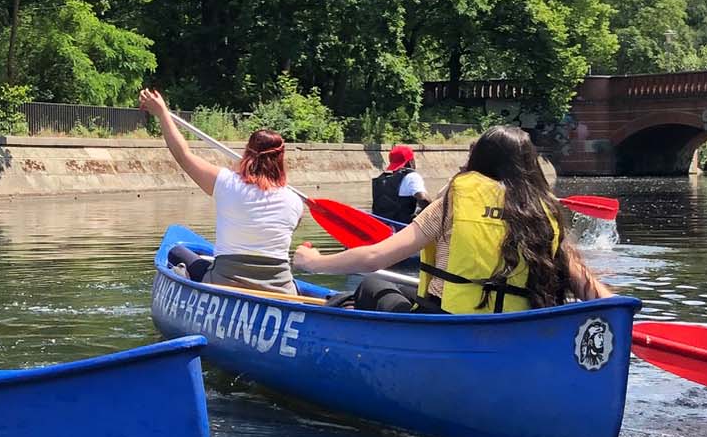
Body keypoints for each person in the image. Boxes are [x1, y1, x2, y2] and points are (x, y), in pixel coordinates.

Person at [292, 126, 612, 314]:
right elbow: (585, 283)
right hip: (515, 329)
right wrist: (620, 312)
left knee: (373, 284)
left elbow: (376, 256)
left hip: (450, 323)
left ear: (477, 160)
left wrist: (314, 261)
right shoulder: (543, 212)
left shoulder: (454, 202)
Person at [140, 87, 303, 294]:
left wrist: (162, 113)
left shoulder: (226, 183)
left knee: (176, 252)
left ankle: (185, 283)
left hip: (225, 283)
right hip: (281, 290)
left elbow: (183, 156)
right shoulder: (295, 201)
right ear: (281, 159)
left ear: (248, 153)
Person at [370, 144, 426, 223]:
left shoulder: (381, 179)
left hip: (382, 227)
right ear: (411, 161)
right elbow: (423, 199)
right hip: (402, 228)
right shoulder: (412, 176)